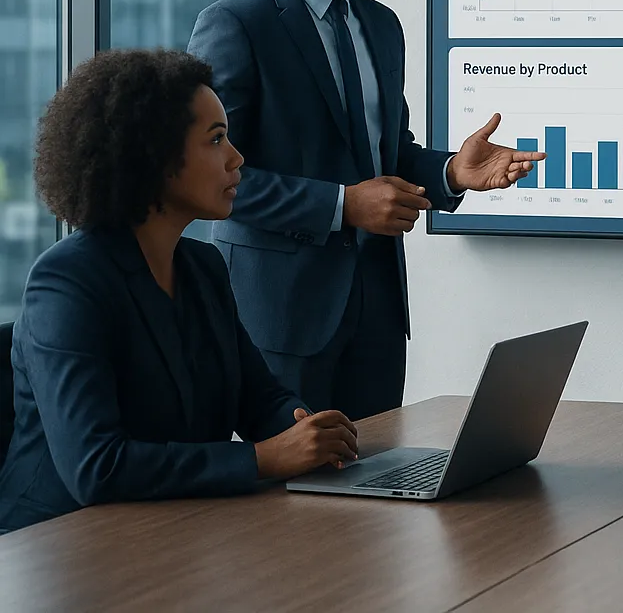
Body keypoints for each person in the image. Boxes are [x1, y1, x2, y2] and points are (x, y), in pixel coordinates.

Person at [187, 0, 543, 420]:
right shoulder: (236, 24)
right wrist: (343, 205)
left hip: (377, 312)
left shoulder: (381, 26)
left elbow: (387, 154)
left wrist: (452, 172)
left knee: (377, 471)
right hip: (281, 316)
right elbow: (212, 179)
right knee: (293, 477)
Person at [0, 50, 359, 533]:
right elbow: (96, 467)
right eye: (216, 139)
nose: (237, 158)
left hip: (170, 527)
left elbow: (258, 398)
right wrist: (263, 459)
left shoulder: (202, 267)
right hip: (56, 542)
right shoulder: (66, 282)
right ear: (155, 157)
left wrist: (306, 429)